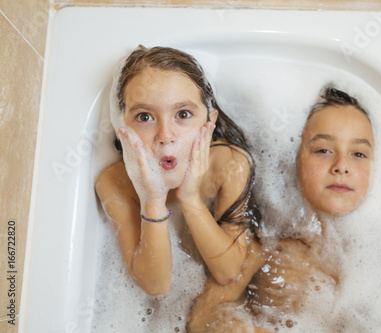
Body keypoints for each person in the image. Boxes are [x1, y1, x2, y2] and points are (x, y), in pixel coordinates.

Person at [187, 84, 374, 332]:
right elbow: (204, 319)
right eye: (324, 150)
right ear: (293, 158)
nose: (342, 165)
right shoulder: (263, 240)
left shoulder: (379, 253)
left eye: (359, 154)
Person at [95, 46, 264, 297]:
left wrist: (190, 197)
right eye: (144, 117)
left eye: (183, 114)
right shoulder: (115, 182)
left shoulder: (228, 163)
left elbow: (228, 272)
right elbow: (155, 286)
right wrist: (152, 200)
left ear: (208, 122)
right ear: (122, 127)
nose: (166, 136)